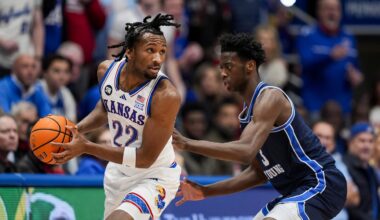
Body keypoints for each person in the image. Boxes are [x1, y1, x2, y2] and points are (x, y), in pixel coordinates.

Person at [173, 33, 347, 219]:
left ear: (250, 66)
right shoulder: (247, 116)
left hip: (322, 183)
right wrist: (205, 191)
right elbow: (258, 173)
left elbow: (245, 151)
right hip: (296, 191)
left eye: (229, 67)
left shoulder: (270, 98)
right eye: (221, 67)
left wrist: (187, 144)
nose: (222, 73)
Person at [51, 14, 182, 220]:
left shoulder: (166, 95)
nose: (158, 59)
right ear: (129, 52)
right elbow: (104, 110)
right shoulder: (106, 71)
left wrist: (87, 147)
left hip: (154, 175)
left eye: (162, 52)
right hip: (118, 172)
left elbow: (145, 158)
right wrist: (75, 130)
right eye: (150, 50)